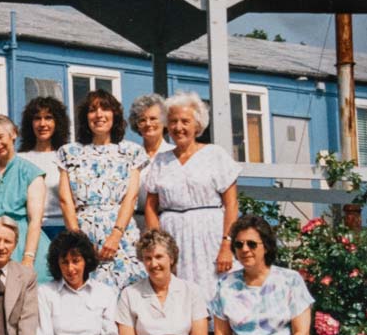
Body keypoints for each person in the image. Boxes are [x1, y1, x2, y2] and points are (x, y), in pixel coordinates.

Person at [144, 91, 240, 306]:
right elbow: (151, 206)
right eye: (173, 121)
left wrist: (227, 244)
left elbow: (231, 203)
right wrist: (158, 245)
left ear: (197, 125)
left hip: (211, 235)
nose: (179, 127)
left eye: (185, 121)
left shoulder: (215, 154)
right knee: (179, 295)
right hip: (174, 236)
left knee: (217, 292)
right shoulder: (161, 160)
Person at [58, 90, 148, 291]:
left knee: (128, 294)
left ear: (114, 114)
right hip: (83, 232)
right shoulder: (69, 152)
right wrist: (80, 243)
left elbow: (131, 197)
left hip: (121, 233)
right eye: (92, 110)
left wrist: (116, 236)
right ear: (85, 117)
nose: (99, 114)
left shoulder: (131, 152)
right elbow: (65, 200)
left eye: (105, 109)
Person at [0, 114, 49, 282]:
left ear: (13, 134)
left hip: (23, 243)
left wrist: (28, 258)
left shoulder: (31, 173)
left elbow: (35, 220)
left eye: (0, 137)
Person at [17, 96, 70, 242]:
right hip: (30, 230)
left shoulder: (67, 157)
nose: (42, 124)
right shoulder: (20, 159)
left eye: (48, 118)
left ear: (57, 122)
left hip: (62, 229)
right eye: (37, 118)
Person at [128, 93, 174, 231]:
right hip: (137, 225)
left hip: (167, 223)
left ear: (164, 121)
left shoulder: (174, 155)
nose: (148, 124)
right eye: (142, 120)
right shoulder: (131, 156)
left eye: (153, 118)